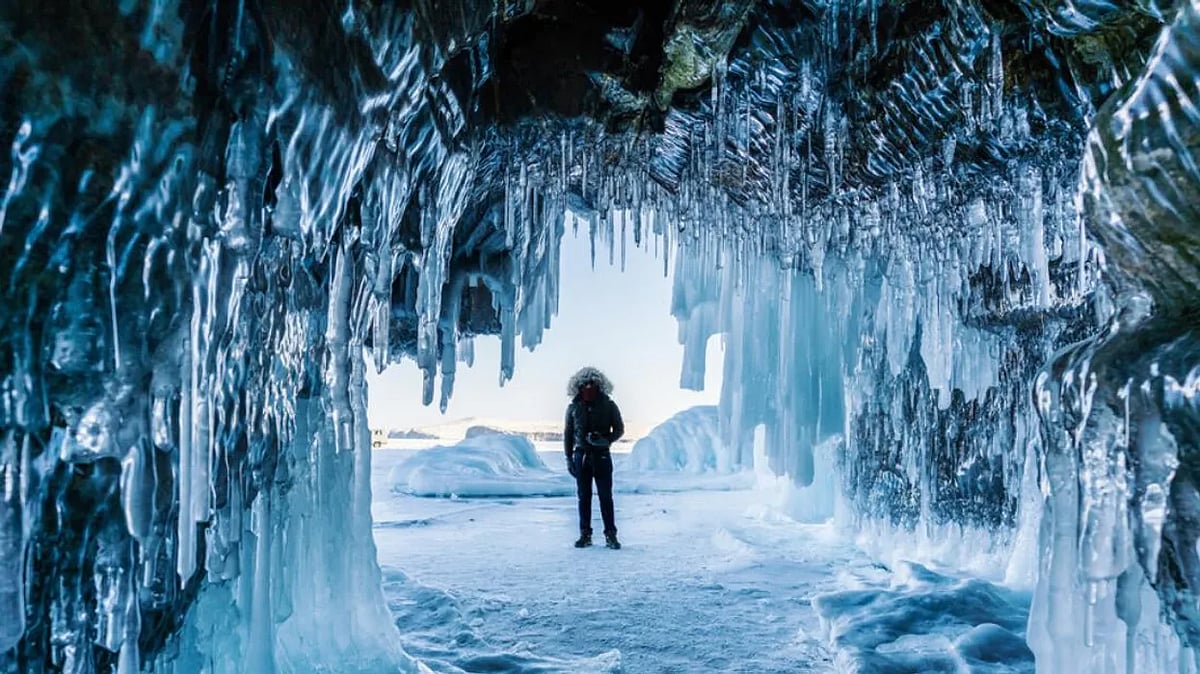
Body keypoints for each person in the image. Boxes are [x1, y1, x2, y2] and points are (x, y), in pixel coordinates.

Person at [564, 366, 624, 549]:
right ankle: (585, 535)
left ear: (600, 384)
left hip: (602, 456)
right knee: (584, 497)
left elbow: (619, 429)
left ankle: (610, 535)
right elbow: (568, 433)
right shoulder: (573, 407)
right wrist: (568, 458)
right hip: (581, 456)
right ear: (578, 385)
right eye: (585, 383)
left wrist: (605, 440)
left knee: (606, 496)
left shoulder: (609, 405)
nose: (589, 386)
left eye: (593, 383)